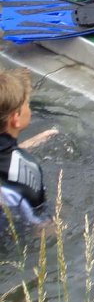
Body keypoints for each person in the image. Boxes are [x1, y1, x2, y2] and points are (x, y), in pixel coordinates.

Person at [1, 67, 57, 227]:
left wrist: (19, 148)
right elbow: (41, 226)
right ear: (15, 118)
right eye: (27, 104)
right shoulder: (26, 169)